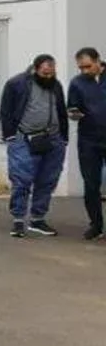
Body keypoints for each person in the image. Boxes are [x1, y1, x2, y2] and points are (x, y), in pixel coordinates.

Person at [0, 54, 69, 238]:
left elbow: (61, 110)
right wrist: (10, 136)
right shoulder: (16, 84)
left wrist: (64, 138)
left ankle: (38, 219)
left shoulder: (56, 85)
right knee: (22, 179)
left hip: (53, 139)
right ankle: (18, 220)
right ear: (35, 69)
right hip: (24, 138)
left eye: (51, 73)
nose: (48, 76)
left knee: (48, 180)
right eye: (45, 73)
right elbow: (5, 110)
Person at [67, 47, 106, 240]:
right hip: (89, 139)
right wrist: (74, 113)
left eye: (88, 66)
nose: (84, 71)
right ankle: (96, 225)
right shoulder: (77, 83)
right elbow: (72, 106)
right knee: (91, 184)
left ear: (98, 61)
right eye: (81, 68)